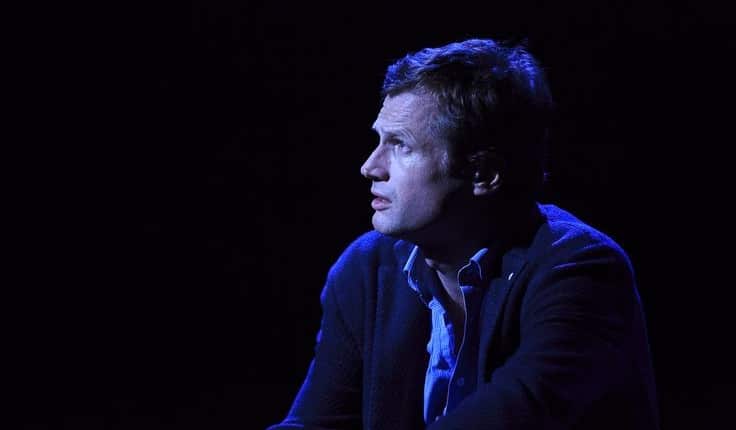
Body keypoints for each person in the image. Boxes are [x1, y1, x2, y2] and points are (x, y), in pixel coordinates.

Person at [267, 38, 659, 429]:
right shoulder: (366, 268)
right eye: (379, 141)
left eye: (400, 145)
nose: (370, 167)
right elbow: (316, 422)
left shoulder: (580, 270)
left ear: (483, 174)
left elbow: (517, 414)